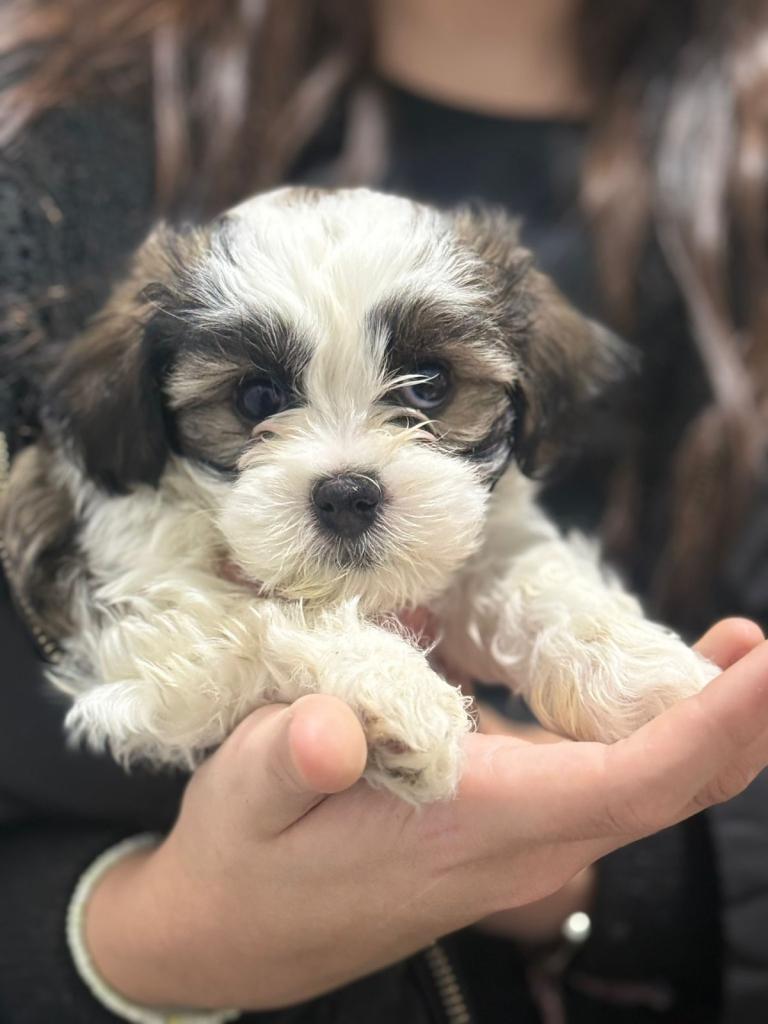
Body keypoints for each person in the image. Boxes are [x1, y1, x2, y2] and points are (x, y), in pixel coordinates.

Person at [1, 1, 767, 1021]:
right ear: (143, 408)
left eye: (427, 395)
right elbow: (139, 676)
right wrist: (161, 942)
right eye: (260, 404)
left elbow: (510, 553)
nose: (349, 472)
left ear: (529, 396)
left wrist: (617, 854)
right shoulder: (63, 143)